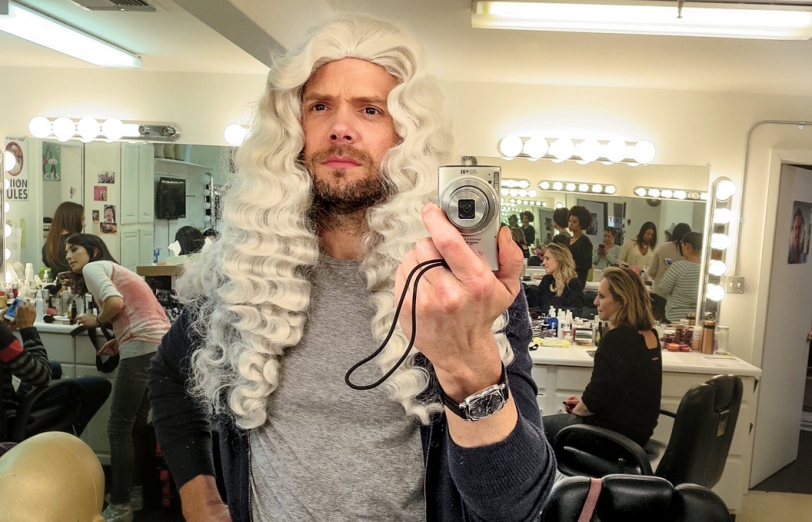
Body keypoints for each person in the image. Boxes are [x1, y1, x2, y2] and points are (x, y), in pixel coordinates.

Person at [148, 16, 554, 522]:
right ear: (293, 129)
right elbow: (168, 373)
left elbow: (517, 506)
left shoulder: (461, 289)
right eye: (319, 106)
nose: (341, 128)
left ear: (405, 135)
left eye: (370, 109)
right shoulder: (244, 272)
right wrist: (200, 495)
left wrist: (470, 371)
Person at [67, 234, 171, 522]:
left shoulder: (93, 268)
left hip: (142, 346)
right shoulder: (119, 270)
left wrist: (97, 320)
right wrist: (119, 338)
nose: (68, 256)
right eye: (66, 252)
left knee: (118, 427)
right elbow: (138, 311)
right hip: (159, 345)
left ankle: (120, 506)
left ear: (93, 251)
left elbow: (114, 302)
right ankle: (133, 494)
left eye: (74, 249)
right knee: (135, 424)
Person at [542, 267, 662, 448]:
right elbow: (615, 392)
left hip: (612, 437)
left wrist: (580, 408)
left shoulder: (617, 339)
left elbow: (593, 400)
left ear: (622, 302)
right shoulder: (650, 334)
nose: (595, 302)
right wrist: (583, 405)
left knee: (538, 429)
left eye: (602, 296)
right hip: (638, 434)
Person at [1, 302, 51, 435]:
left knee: (55, 368)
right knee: (97, 385)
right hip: (7, 418)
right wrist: (27, 329)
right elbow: (42, 375)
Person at [526, 242, 584, 315]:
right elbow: (538, 306)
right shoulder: (547, 280)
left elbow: (576, 312)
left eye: (547, 258)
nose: (543, 262)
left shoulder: (573, 284)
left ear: (559, 260)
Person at [648, 223, 691, 320]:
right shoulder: (689, 254)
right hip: (679, 300)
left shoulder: (661, 248)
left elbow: (651, 272)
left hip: (659, 294)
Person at [658, 232, 703, 323]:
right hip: (701, 319)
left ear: (687, 246)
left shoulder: (678, 267)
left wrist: (668, 272)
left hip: (676, 319)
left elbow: (664, 289)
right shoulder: (709, 270)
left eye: (682, 245)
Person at [42, 201, 84, 275]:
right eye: (82, 220)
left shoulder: (48, 246)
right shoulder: (80, 243)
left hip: (58, 281)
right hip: (78, 281)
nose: (84, 224)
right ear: (73, 220)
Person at [567, 205, 594, 284]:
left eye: (574, 222)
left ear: (581, 224)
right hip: (566, 277)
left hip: (578, 280)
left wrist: (570, 263)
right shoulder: (567, 241)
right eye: (570, 221)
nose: (571, 224)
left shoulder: (585, 242)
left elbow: (587, 264)